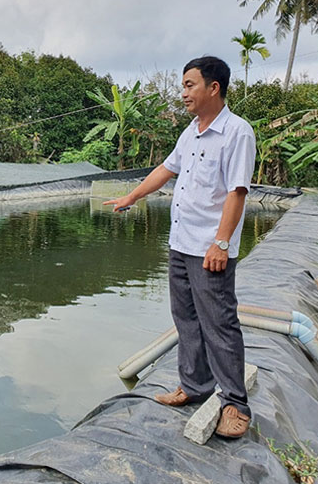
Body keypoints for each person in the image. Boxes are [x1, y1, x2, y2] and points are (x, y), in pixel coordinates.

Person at [104, 56, 256, 438]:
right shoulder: (191, 132)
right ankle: (194, 387)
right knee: (186, 319)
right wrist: (132, 196)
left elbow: (237, 193)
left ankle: (235, 404)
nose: (183, 92)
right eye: (184, 85)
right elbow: (165, 170)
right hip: (180, 244)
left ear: (213, 87)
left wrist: (221, 243)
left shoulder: (237, 133)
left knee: (219, 323)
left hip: (210, 248)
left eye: (190, 85)